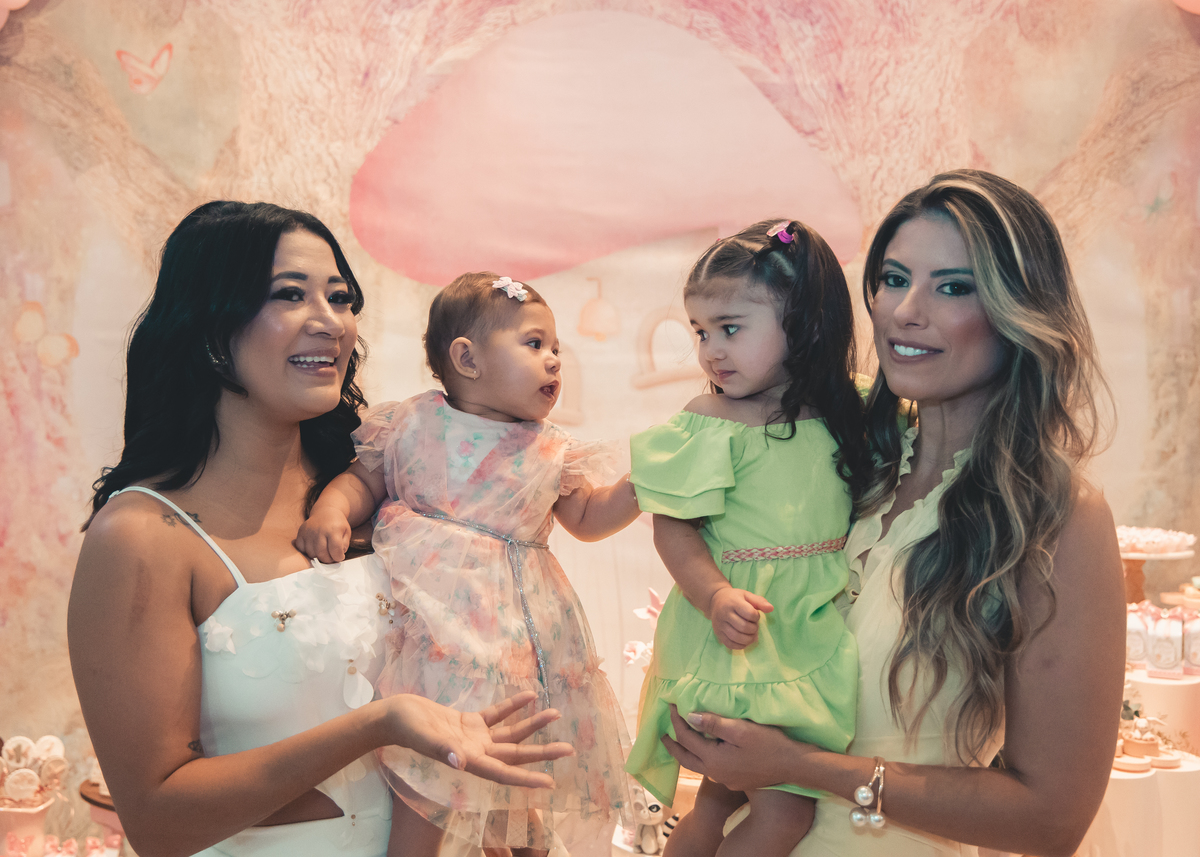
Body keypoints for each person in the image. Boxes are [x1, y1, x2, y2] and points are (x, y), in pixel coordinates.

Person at [67, 202, 575, 857]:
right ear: (209, 328)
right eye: (289, 295)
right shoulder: (141, 535)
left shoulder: (384, 485)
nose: (330, 321)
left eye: (339, 297)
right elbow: (157, 823)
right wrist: (378, 725)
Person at [661, 170, 1126, 857]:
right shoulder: (844, 461)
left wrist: (801, 768)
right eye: (894, 278)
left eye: (953, 287)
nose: (906, 310)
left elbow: (1051, 819)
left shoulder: (1056, 516)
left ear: (1018, 310)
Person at [295, 272, 640, 856]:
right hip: (432, 641)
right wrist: (332, 509)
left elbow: (587, 516)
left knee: (516, 781)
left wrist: (641, 487)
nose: (554, 360)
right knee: (429, 781)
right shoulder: (412, 423)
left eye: (557, 348)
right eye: (534, 344)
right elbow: (363, 481)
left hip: (514, 649)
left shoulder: (549, 448)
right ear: (467, 358)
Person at [622, 220, 873, 857]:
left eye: (730, 329)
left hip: (803, 631)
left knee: (717, 800)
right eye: (701, 332)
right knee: (784, 815)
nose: (711, 351)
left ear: (804, 323)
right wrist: (713, 595)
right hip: (739, 638)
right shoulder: (711, 422)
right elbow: (673, 526)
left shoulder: (851, 413)